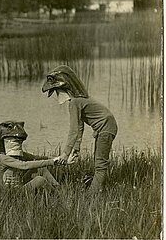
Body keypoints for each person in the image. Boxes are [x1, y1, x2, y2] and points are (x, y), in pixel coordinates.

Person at [42, 65, 118, 193]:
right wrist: (76, 148)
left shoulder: (74, 103)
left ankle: (93, 196)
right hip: (106, 127)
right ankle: (97, 189)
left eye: (57, 91)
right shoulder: (79, 100)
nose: (57, 94)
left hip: (105, 128)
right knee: (99, 162)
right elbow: (80, 127)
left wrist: (65, 153)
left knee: (100, 166)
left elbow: (73, 130)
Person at [0, 121, 61, 192]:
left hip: (18, 187)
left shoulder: (17, 155)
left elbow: (36, 157)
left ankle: (58, 188)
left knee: (41, 169)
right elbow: (24, 165)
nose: (18, 144)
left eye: (19, 142)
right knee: (39, 180)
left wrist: (58, 159)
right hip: (9, 194)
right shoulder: (3, 158)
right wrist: (51, 162)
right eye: (15, 141)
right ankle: (57, 195)